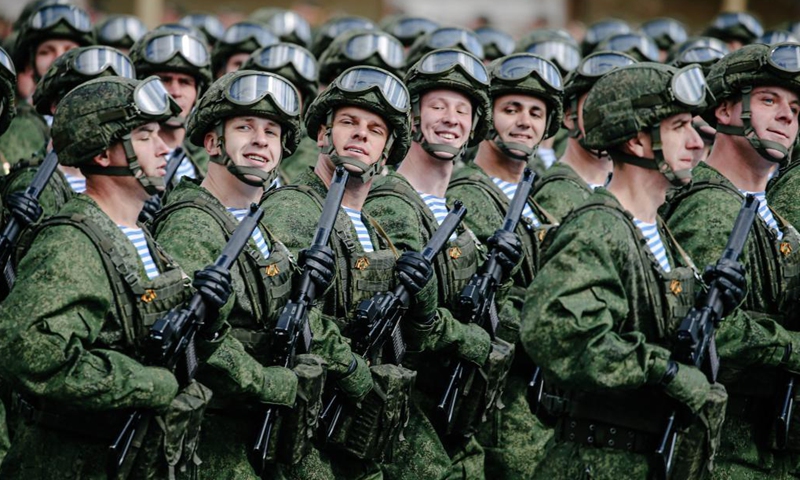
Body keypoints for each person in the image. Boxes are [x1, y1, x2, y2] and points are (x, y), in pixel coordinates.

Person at [0, 75, 231, 478]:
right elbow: (31, 355)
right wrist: (149, 384)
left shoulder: (139, 234)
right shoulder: (71, 242)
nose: (163, 148)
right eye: (145, 136)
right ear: (105, 153)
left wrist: (208, 321)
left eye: (158, 133)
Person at [522, 62, 738, 479]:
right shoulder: (598, 226)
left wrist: (715, 301)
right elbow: (559, 336)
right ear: (639, 140)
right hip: (599, 463)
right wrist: (664, 370)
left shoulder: (655, 228)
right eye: (679, 127)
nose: (697, 143)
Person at [260, 65, 435, 479]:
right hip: (311, 419)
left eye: (375, 130)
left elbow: (414, 335)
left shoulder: (371, 224)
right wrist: (354, 373)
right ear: (323, 135)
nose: (361, 134)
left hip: (359, 423)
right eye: (349, 123)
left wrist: (420, 290)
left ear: (387, 151)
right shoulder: (294, 207)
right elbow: (292, 316)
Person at [152, 70, 327, 478]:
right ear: (213, 142)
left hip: (265, 423)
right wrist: (274, 383)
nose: (261, 140)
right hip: (212, 431)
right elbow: (195, 338)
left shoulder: (258, 225)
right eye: (244, 127)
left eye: (271, 131)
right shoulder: (192, 223)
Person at [364, 48, 505, 480]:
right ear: (411, 121)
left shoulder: (450, 209)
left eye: (462, 110)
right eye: (438, 106)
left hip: (449, 401)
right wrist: (479, 343)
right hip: (408, 405)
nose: (450, 118)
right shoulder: (391, 202)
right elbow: (413, 323)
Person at [664, 43, 800, 478]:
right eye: (768, 100)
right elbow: (703, 326)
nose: (786, 117)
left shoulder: (774, 217)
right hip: (725, 453)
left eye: (795, 108)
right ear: (724, 111)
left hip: (770, 451)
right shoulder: (710, 207)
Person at [446, 52, 562, 478]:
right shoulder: (466, 193)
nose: (524, 122)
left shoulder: (531, 197)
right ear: (486, 117)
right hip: (496, 397)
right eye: (510, 109)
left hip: (534, 390)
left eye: (536, 112)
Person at [530, 51, 636, 221]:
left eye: (620, 105)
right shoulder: (558, 193)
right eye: (596, 103)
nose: (609, 115)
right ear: (569, 116)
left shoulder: (637, 188)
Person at [1, 3, 94, 171]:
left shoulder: (99, 121)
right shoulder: (14, 127)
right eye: (46, 51)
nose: (60, 58)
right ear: (29, 66)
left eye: (70, 49)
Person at [130, 27, 213, 183]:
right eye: (164, 80)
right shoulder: (125, 161)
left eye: (185, 82)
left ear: (198, 93)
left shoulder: (208, 160)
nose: (175, 92)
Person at [241, 42, 321, 185]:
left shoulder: (318, 156)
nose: (277, 103)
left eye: (289, 95)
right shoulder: (221, 141)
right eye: (270, 90)